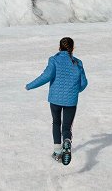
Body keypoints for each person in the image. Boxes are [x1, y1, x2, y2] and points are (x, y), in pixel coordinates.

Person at [25, 37, 88, 165]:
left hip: (55, 99)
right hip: (71, 101)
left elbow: (46, 76)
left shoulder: (54, 60)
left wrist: (30, 85)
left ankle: (58, 152)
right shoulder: (78, 63)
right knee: (66, 127)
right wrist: (74, 91)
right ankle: (67, 141)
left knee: (56, 123)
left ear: (59, 47)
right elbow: (83, 83)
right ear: (73, 48)